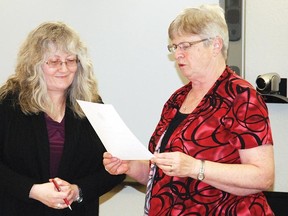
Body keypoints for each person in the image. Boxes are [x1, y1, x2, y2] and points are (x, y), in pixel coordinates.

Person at [103, 4, 275, 216]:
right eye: (174, 47)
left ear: (215, 45)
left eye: (185, 46)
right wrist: (130, 166)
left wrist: (195, 167)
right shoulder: (177, 99)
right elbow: (161, 172)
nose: (178, 55)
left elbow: (262, 176)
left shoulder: (241, 96)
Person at [0, 21, 125, 216]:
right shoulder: (8, 103)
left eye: (70, 60)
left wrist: (78, 191)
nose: (64, 68)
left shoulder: (93, 105)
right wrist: (32, 190)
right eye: (54, 61)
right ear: (34, 64)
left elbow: (119, 167)